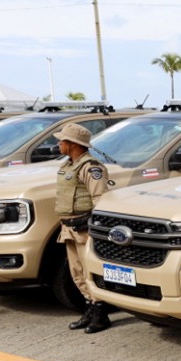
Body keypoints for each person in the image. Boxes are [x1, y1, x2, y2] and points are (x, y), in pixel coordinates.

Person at [53, 124, 115, 334]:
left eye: (62, 140)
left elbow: (100, 199)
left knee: (89, 271)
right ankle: (89, 307)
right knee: (76, 272)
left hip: (83, 228)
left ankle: (100, 313)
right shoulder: (68, 165)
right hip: (68, 227)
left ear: (73, 144)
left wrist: (90, 221)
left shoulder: (90, 167)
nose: (58, 143)